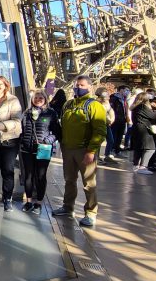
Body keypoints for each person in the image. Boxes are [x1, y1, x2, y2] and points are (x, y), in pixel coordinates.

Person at [54, 76, 108, 227]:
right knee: (69, 180)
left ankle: (91, 212)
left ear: (89, 87)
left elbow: (100, 130)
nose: (78, 87)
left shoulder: (94, 106)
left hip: (85, 150)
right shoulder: (68, 104)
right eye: (77, 85)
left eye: (82, 85)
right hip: (68, 149)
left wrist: (91, 151)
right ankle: (68, 206)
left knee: (89, 183)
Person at [19, 90, 60, 215]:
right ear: (32, 99)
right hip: (27, 150)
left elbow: (58, 132)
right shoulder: (27, 113)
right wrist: (22, 140)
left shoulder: (50, 113)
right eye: (36, 97)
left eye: (41, 97)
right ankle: (29, 201)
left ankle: (39, 203)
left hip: (43, 149)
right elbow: (22, 129)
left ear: (45, 99)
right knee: (28, 176)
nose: (38, 99)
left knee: (40, 176)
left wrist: (47, 140)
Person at [0, 75, 23, 211]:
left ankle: (7, 199)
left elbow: (17, 121)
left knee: (7, 170)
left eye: (0, 84)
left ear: (5, 86)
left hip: (9, 140)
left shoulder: (12, 100)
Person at [129, 90, 156, 174]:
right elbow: (152, 116)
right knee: (150, 148)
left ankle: (136, 165)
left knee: (138, 148)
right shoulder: (142, 106)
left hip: (137, 128)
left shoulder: (135, 106)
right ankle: (143, 166)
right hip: (144, 129)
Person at [107, 85, 130, 160]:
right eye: (126, 90)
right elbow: (111, 109)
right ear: (121, 90)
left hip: (123, 120)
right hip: (115, 120)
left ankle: (117, 150)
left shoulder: (125, 99)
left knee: (120, 136)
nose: (127, 92)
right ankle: (111, 151)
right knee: (114, 136)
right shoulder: (114, 98)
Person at [96, 88, 116, 162]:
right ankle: (96, 157)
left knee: (111, 140)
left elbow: (111, 111)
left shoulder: (107, 102)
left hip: (107, 124)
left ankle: (107, 155)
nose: (106, 94)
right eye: (104, 92)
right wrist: (107, 120)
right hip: (100, 123)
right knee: (98, 141)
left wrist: (112, 119)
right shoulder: (97, 102)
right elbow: (101, 113)